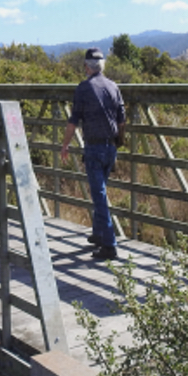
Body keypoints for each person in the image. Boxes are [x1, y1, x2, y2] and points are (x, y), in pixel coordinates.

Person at [61, 47, 126, 260]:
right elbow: (121, 119)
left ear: (87, 67)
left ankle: (109, 244)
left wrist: (65, 145)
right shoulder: (113, 86)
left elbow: (73, 121)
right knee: (101, 191)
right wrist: (119, 142)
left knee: (99, 196)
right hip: (111, 147)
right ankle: (98, 234)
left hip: (94, 147)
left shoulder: (83, 88)